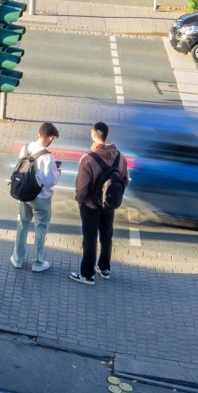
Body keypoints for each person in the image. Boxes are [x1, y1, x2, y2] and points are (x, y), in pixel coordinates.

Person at [71, 122, 126, 285]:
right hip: (109, 204)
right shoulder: (119, 157)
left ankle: (87, 274)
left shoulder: (88, 159)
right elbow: (125, 179)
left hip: (90, 205)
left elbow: (82, 187)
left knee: (90, 237)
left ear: (94, 134)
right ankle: (104, 267)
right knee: (106, 235)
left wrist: (80, 201)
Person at [11, 123, 61, 272]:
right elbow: (50, 181)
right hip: (41, 198)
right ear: (50, 137)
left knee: (22, 225)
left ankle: (17, 259)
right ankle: (37, 262)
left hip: (24, 194)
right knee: (40, 229)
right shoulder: (47, 157)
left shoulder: (25, 149)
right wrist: (58, 172)